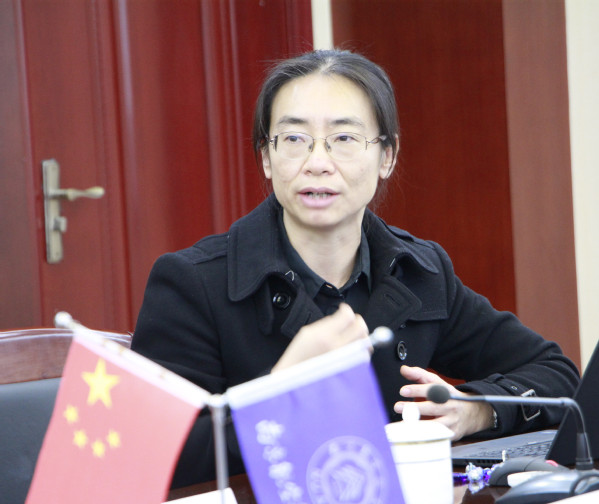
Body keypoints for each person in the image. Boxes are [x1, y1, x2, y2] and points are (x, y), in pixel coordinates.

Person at [131, 49, 580, 488]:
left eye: (344, 139)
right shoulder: (193, 282)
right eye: (294, 139)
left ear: (387, 156)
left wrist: (477, 409)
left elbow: (554, 371)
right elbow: (152, 454)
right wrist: (282, 392)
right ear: (266, 157)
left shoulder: (418, 272)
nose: (317, 163)